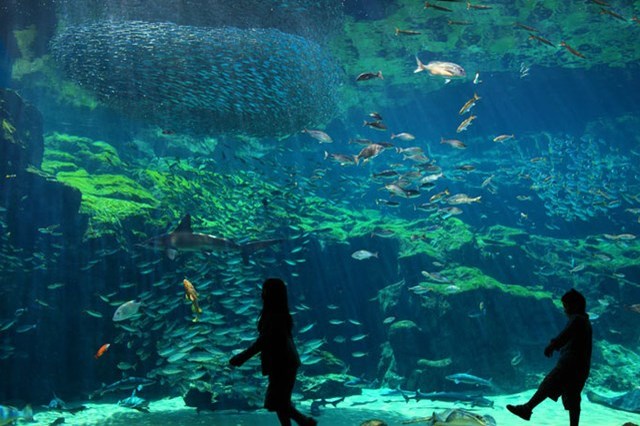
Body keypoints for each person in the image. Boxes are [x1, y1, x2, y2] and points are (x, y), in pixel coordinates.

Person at [229, 278, 317, 426]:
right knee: (280, 402)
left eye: (264, 289)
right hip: (284, 362)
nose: (261, 293)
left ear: (270, 293)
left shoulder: (274, 316)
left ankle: (306, 422)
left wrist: (242, 357)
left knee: (278, 402)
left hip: (283, 363)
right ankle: (303, 423)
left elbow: (263, 341)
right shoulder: (280, 313)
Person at [507, 289, 592, 426]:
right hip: (580, 367)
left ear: (574, 305)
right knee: (573, 397)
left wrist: (552, 345)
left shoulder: (577, 319)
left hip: (569, 364)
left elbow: (565, 335)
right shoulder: (585, 321)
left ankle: (527, 409)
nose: (564, 310)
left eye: (566, 306)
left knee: (548, 384)